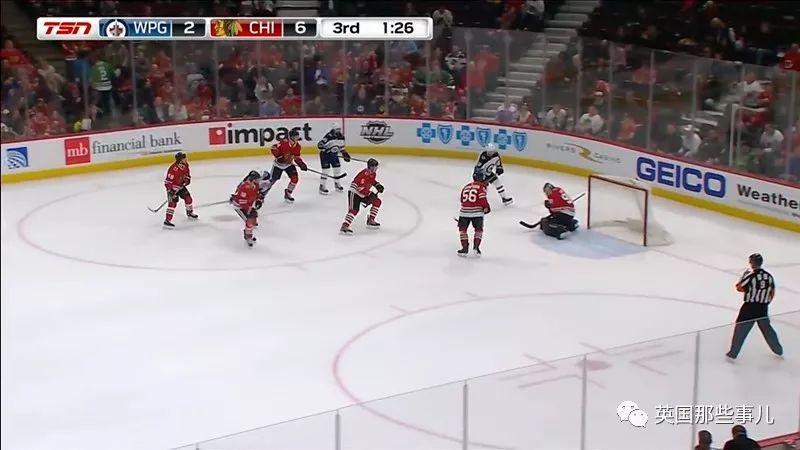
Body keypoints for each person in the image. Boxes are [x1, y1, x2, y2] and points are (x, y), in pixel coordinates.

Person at [726, 253, 783, 359]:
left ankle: (733, 353)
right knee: (767, 329)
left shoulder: (751, 276)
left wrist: (743, 277)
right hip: (762, 307)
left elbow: (739, 287)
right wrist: (766, 303)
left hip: (749, 308)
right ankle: (778, 350)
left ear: (752, 263)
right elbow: (772, 291)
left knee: (740, 329)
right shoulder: (769, 276)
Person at [340, 158, 383, 234]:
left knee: (377, 201)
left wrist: (377, 185)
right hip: (354, 194)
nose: (376, 168)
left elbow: (372, 181)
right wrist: (361, 195)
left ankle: (371, 220)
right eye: (375, 166)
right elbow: (352, 187)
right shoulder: (362, 175)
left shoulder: (373, 173)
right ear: (371, 167)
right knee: (354, 210)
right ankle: (345, 226)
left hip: (364, 193)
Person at [457, 168, 491, 257]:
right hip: (477, 212)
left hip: (464, 212)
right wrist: (486, 207)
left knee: (462, 230)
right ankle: (476, 247)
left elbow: (462, 199)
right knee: (478, 230)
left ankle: (464, 248)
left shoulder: (466, 186)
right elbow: (482, 198)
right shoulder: (481, 187)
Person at [268, 129, 308, 203]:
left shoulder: (297, 146)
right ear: (291, 137)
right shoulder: (284, 142)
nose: (297, 138)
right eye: (295, 136)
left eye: (297, 136)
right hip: (278, 165)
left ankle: (288, 193)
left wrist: (301, 164)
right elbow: (273, 148)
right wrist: (278, 156)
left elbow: (296, 157)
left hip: (289, 164)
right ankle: (261, 195)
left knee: (295, 179)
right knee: (271, 181)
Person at [163, 152, 197, 228]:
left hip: (181, 187)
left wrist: (187, 181)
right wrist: (170, 191)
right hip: (172, 188)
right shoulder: (173, 169)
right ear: (180, 160)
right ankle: (167, 220)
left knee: (188, 199)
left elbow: (187, 175)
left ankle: (189, 212)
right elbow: (168, 181)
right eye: (184, 158)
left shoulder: (186, 165)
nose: (186, 159)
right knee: (172, 204)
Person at [317, 122, 350, 195]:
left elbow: (341, 147)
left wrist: (345, 153)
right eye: (337, 129)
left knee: (337, 169)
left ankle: (337, 184)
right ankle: (322, 186)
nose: (338, 131)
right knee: (325, 171)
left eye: (339, 129)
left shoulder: (341, 137)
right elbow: (319, 145)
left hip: (334, 155)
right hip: (325, 155)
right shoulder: (328, 136)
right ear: (333, 130)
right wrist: (324, 148)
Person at [231, 171, 261, 247]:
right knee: (250, 221)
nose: (259, 181)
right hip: (239, 207)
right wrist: (249, 205)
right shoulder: (244, 187)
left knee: (253, 220)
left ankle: (248, 232)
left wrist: (258, 200)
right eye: (257, 179)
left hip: (248, 206)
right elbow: (240, 201)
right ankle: (248, 236)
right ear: (253, 180)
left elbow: (257, 194)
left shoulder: (256, 185)